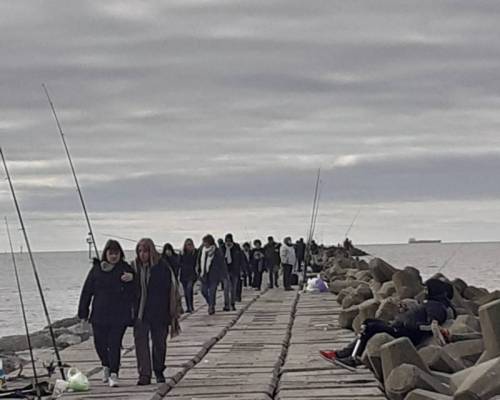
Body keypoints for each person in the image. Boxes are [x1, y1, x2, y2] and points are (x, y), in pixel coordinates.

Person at [319, 278, 456, 369]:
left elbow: (430, 326)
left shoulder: (437, 306)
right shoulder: (433, 304)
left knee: (369, 325)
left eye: (427, 289)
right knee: (370, 322)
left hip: (406, 333)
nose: (424, 291)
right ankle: (341, 354)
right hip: (400, 328)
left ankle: (353, 358)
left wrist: (408, 325)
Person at [78, 240, 136, 388]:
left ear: (120, 254)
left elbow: (136, 291)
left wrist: (132, 279)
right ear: (106, 253)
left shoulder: (125, 268)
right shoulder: (97, 269)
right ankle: (106, 366)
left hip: (119, 315)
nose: (113, 256)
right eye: (111, 253)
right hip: (99, 314)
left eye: (116, 253)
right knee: (100, 344)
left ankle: (114, 374)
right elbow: (87, 292)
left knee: (114, 344)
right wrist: (83, 314)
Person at [133, 238, 181, 386]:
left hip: (160, 312)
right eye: (140, 251)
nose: (142, 254)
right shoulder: (133, 268)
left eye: (145, 251)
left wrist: (173, 311)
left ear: (151, 251)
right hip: (140, 313)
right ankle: (144, 374)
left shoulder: (162, 267)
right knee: (141, 344)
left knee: (159, 343)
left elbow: (171, 289)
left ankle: (158, 369)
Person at [197, 234, 227, 315]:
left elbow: (222, 263)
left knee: (212, 291)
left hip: (214, 275)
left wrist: (223, 275)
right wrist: (198, 270)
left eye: (205, 242)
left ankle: (211, 306)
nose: (204, 244)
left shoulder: (216, 251)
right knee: (203, 291)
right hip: (204, 274)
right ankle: (210, 303)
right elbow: (199, 261)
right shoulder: (202, 250)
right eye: (203, 242)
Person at [220, 233, 242, 311]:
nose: (228, 242)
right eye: (227, 241)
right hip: (225, 271)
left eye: (229, 241)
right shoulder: (222, 248)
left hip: (234, 270)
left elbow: (241, 259)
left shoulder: (236, 247)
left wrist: (242, 270)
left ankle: (232, 303)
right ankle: (226, 305)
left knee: (233, 288)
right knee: (226, 288)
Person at [180, 238, 198, 313]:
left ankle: (191, 306)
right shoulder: (182, 254)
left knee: (189, 289)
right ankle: (188, 306)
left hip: (192, 274)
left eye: (190, 244)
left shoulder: (195, 253)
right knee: (186, 292)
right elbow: (178, 263)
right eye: (187, 245)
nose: (189, 246)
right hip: (184, 275)